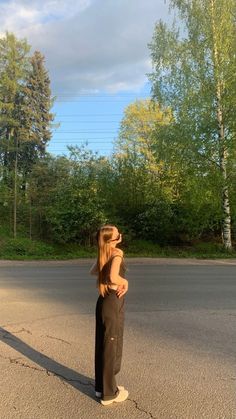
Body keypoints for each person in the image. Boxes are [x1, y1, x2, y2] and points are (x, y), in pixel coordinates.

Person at [90, 224, 129, 405]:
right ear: (113, 240)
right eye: (117, 233)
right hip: (112, 301)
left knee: (102, 345)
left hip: (102, 300)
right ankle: (109, 394)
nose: (120, 234)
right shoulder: (117, 253)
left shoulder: (105, 253)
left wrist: (104, 254)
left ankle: (101, 388)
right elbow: (114, 277)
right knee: (110, 346)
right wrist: (125, 281)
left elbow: (94, 271)